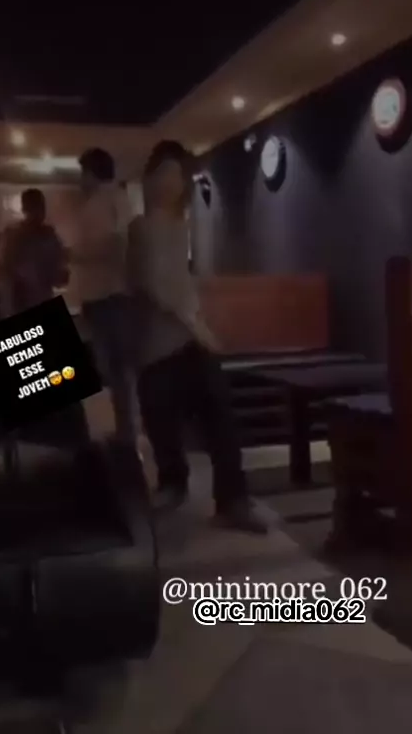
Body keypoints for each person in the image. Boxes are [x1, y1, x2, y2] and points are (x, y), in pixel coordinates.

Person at [128, 140, 268, 533]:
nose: (169, 182)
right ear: (150, 177)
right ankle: (173, 484)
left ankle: (232, 501)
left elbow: (181, 283)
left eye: (177, 175)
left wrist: (200, 319)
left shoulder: (180, 226)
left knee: (221, 418)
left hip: (189, 341)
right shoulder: (140, 228)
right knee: (161, 422)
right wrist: (199, 325)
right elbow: (156, 285)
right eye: (163, 173)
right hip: (158, 346)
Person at [73, 147, 136, 445]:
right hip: (107, 296)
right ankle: (120, 430)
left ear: (92, 172)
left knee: (113, 370)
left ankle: (122, 433)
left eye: (83, 173)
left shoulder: (107, 200)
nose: (80, 180)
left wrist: (78, 254)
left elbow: (116, 242)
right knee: (112, 370)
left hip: (108, 296)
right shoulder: (112, 199)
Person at [0, 188, 69, 315]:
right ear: (25, 209)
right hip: (20, 301)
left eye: (42, 208)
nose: (40, 213)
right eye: (35, 208)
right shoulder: (14, 235)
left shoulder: (49, 235)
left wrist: (61, 273)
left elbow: (59, 272)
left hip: (41, 299)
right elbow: (7, 267)